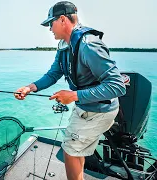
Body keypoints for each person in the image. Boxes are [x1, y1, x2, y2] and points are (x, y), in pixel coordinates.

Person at [14, 1, 126, 180]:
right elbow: (53, 74)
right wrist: (30, 88)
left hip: (99, 111)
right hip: (85, 107)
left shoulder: (89, 46)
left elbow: (117, 86)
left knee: (70, 151)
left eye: (51, 23)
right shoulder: (64, 47)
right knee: (75, 149)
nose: (50, 28)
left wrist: (73, 95)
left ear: (63, 20)